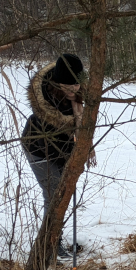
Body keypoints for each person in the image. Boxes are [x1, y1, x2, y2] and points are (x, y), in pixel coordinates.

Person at [22, 53, 95, 258]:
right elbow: (53, 142)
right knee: (55, 196)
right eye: (68, 85)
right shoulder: (46, 102)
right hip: (39, 150)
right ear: (57, 82)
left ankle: (54, 240)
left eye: (76, 84)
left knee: (63, 193)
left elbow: (83, 126)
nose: (74, 89)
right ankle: (49, 245)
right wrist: (72, 159)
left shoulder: (81, 95)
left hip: (63, 150)